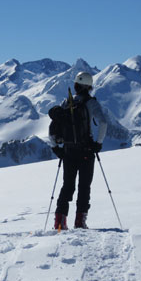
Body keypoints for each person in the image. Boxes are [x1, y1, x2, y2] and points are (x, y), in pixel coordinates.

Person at [48, 72, 108, 230]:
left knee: (67, 186)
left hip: (68, 151)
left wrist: (56, 148)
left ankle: (59, 222)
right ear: (89, 86)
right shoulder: (91, 103)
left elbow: (53, 126)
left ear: (75, 85)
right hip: (86, 151)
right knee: (84, 186)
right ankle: (80, 222)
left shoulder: (66, 103)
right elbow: (103, 123)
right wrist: (98, 143)